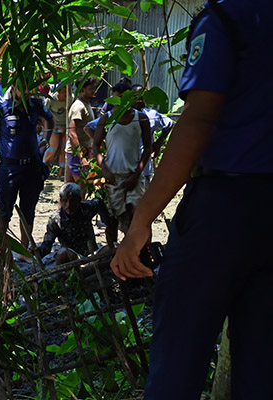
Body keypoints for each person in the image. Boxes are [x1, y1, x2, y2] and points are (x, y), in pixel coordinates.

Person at [111, 2, 273, 399]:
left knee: (177, 363)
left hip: (221, 211)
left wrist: (141, 221)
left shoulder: (228, 16)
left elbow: (198, 119)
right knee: (262, 367)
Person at [0, 85, 55, 253]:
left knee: (28, 210)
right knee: (4, 211)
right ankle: (1, 250)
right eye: (22, 87)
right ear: (14, 87)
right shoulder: (2, 109)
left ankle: (24, 249)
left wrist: (46, 139)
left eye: (28, 87)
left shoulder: (36, 105)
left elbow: (50, 120)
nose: (26, 91)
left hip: (32, 167)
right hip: (8, 168)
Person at [92, 83, 151, 243]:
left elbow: (147, 148)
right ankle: (112, 254)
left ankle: (136, 253)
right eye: (116, 99)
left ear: (130, 98)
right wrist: (104, 169)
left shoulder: (141, 118)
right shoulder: (106, 118)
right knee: (112, 220)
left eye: (122, 99)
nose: (119, 103)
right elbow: (95, 146)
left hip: (134, 177)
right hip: (113, 177)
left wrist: (137, 173)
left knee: (136, 218)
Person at [36, 183, 113, 264]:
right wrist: (38, 251)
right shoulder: (56, 219)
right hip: (71, 256)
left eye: (72, 201)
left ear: (79, 200)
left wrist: (108, 222)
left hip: (92, 254)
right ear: (61, 201)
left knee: (114, 248)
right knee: (62, 254)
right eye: (65, 201)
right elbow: (47, 245)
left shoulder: (87, 209)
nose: (68, 205)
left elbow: (98, 202)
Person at [130, 84, 174, 186]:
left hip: (144, 170)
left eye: (142, 97)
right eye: (137, 96)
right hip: (126, 169)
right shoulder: (123, 116)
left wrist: (158, 143)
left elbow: (169, 123)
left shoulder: (151, 115)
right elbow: (91, 127)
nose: (140, 100)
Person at [65, 78, 98, 187]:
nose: (94, 90)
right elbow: (72, 133)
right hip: (77, 153)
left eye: (94, 88)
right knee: (82, 187)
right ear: (82, 90)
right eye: (91, 89)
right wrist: (82, 157)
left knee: (69, 187)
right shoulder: (78, 107)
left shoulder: (86, 104)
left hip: (82, 150)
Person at [43, 85, 71, 178]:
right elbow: (44, 115)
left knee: (64, 149)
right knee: (53, 147)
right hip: (54, 127)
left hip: (65, 126)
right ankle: (43, 165)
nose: (66, 94)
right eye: (64, 92)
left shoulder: (71, 98)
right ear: (58, 92)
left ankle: (61, 172)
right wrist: (47, 129)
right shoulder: (51, 99)